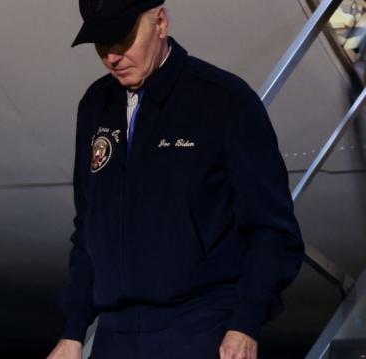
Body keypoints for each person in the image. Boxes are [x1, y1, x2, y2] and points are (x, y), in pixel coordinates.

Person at [46, 0, 306, 358]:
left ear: (161, 22)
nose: (112, 57)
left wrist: (245, 321)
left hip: (200, 329)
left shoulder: (224, 100)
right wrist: (73, 331)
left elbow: (273, 228)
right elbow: (89, 228)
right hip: (115, 336)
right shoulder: (95, 106)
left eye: (122, 40)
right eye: (102, 45)